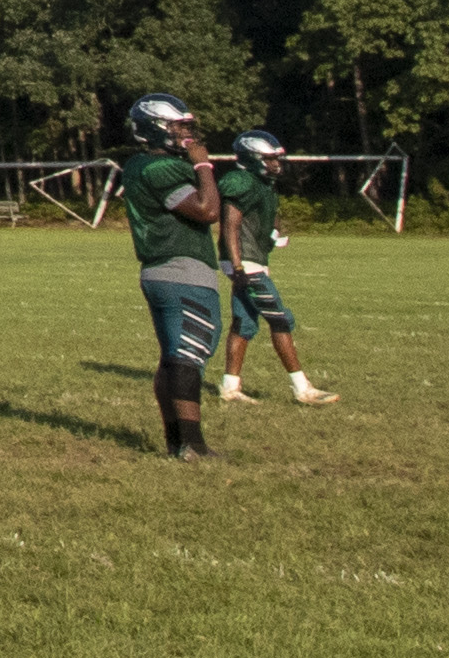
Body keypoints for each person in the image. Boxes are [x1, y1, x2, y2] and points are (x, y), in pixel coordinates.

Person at [117, 94, 231, 462]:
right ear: (155, 127)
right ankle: (193, 446)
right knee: (188, 356)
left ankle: (175, 441)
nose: (186, 133)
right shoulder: (158, 168)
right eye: (178, 126)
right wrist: (204, 167)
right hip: (181, 270)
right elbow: (207, 209)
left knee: (172, 358)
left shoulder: (140, 165)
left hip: (160, 270)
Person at [209, 128, 331, 406]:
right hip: (245, 263)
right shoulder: (241, 182)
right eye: (270, 158)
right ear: (253, 158)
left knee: (245, 322)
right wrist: (238, 267)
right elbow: (230, 225)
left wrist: (273, 233)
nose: (276, 163)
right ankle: (302, 388)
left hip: (252, 261)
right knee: (280, 319)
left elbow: (261, 221)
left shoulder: (262, 184)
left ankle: (229, 387)